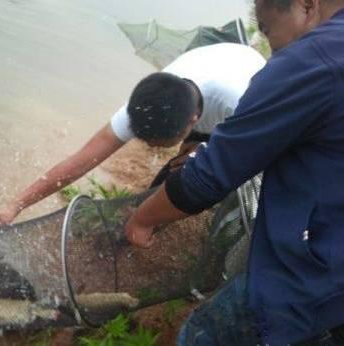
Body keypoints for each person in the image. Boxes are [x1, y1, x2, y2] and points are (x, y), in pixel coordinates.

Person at [124, 0, 344, 344]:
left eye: (268, 31)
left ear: (306, 5)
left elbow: (208, 177)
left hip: (313, 277)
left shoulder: (309, 61)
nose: (270, 48)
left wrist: (142, 218)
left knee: (201, 335)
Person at [0, 42, 266, 225]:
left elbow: (263, 153)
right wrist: (14, 205)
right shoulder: (147, 104)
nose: (155, 151)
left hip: (249, 86)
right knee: (167, 180)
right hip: (208, 70)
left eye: (160, 144)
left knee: (206, 178)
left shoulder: (239, 100)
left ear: (193, 121)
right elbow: (81, 161)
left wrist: (205, 151)